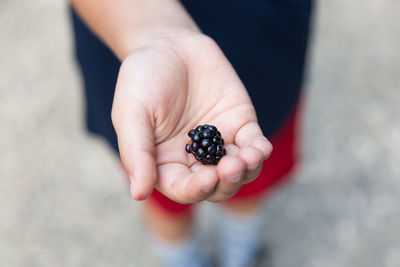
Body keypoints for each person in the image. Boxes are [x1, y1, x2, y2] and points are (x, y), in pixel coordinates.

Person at [69, 0, 312, 266]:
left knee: (250, 182)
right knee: (166, 199)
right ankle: (184, 260)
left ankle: (240, 254)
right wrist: (158, 37)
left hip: (267, 50)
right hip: (143, 62)